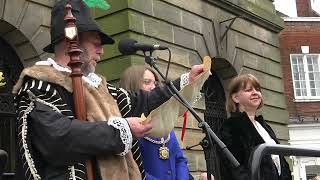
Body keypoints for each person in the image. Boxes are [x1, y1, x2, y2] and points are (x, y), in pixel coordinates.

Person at [12, 0, 204, 180]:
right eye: (96, 43)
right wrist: (123, 130)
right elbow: (59, 137)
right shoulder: (39, 86)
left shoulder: (103, 89)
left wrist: (185, 81)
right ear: (73, 40)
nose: (101, 51)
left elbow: (143, 101)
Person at [119, 65, 190, 180]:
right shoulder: (125, 125)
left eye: (155, 84)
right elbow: (130, 168)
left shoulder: (164, 121)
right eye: (147, 82)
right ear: (132, 85)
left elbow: (179, 159)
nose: (153, 87)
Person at [219, 74, 292, 180]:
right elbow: (233, 168)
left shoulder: (264, 126)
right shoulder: (231, 127)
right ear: (235, 97)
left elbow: (281, 163)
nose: (255, 93)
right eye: (249, 90)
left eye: (257, 90)